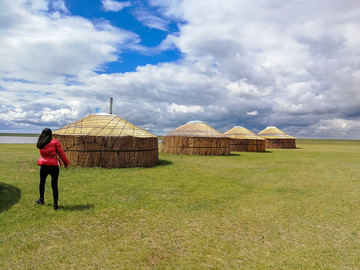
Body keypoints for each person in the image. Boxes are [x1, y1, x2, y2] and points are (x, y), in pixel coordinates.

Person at [36, 128, 69, 210]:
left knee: (42, 182)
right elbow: (61, 154)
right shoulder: (55, 142)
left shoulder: (41, 142)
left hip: (44, 165)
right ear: (51, 134)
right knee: (54, 184)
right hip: (53, 165)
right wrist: (66, 163)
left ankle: (41, 199)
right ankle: (55, 204)